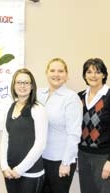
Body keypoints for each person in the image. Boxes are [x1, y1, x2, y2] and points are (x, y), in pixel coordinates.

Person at [77, 58, 110, 193]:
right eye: (89, 72)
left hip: (105, 157)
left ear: (104, 74)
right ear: (84, 75)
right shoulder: (79, 97)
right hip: (83, 156)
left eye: (97, 72)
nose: (93, 75)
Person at [37, 58, 82, 193]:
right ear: (46, 73)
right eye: (52, 70)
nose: (56, 74)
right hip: (40, 158)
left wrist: (66, 162)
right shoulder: (39, 94)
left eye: (61, 71)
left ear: (66, 75)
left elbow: (74, 133)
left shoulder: (70, 97)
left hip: (60, 160)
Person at [0, 68, 48, 193]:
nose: (22, 86)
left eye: (26, 83)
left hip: (31, 174)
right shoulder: (10, 107)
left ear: (32, 86)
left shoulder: (38, 109)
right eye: (19, 82)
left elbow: (40, 144)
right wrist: (4, 166)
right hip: (10, 173)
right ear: (14, 85)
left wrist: (19, 169)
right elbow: (5, 140)